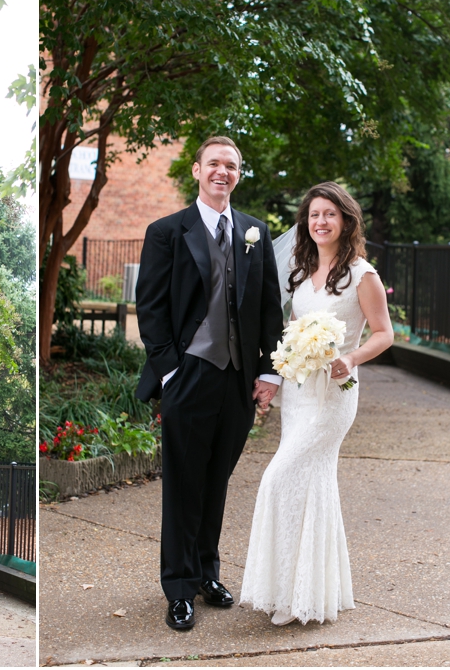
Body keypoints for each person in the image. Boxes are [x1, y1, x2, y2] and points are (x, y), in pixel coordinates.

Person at [135, 136, 284, 631]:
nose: (223, 171)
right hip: (190, 373)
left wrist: (267, 371)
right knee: (183, 483)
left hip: (238, 378)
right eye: (214, 164)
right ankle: (178, 587)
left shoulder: (255, 233)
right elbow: (151, 309)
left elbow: (267, 308)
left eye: (232, 166)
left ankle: (205, 573)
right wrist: (171, 371)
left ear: (239, 174)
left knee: (216, 481)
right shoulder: (167, 232)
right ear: (198, 170)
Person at [239, 181, 393, 625]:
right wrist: (276, 381)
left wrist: (351, 356)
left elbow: (385, 333)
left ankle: (296, 592)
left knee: (277, 478)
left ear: (345, 220)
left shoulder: (363, 275)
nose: (320, 222)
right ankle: (299, 595)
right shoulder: (301, 274)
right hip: (300, 395)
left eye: (329, 214)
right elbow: (291, 337)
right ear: (305, 223)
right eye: (313, 215)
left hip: (335, 396)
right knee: (309, 486)